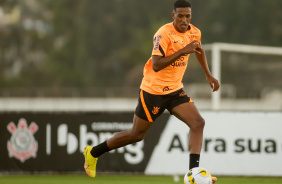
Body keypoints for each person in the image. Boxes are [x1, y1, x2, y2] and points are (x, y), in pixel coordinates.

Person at [84, 0, 219, 183]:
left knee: (198, 123)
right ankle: (93, 152)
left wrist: (208, 75)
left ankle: (193, 172)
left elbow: (198, 50)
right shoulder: (163, 34)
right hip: (153, 92)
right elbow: (156, 65)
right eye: (180, 16)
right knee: (136, 135)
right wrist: (183, 51)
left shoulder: (194, 32)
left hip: (175, 91)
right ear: (173, 16)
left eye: (187, 16)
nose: (184, 20)